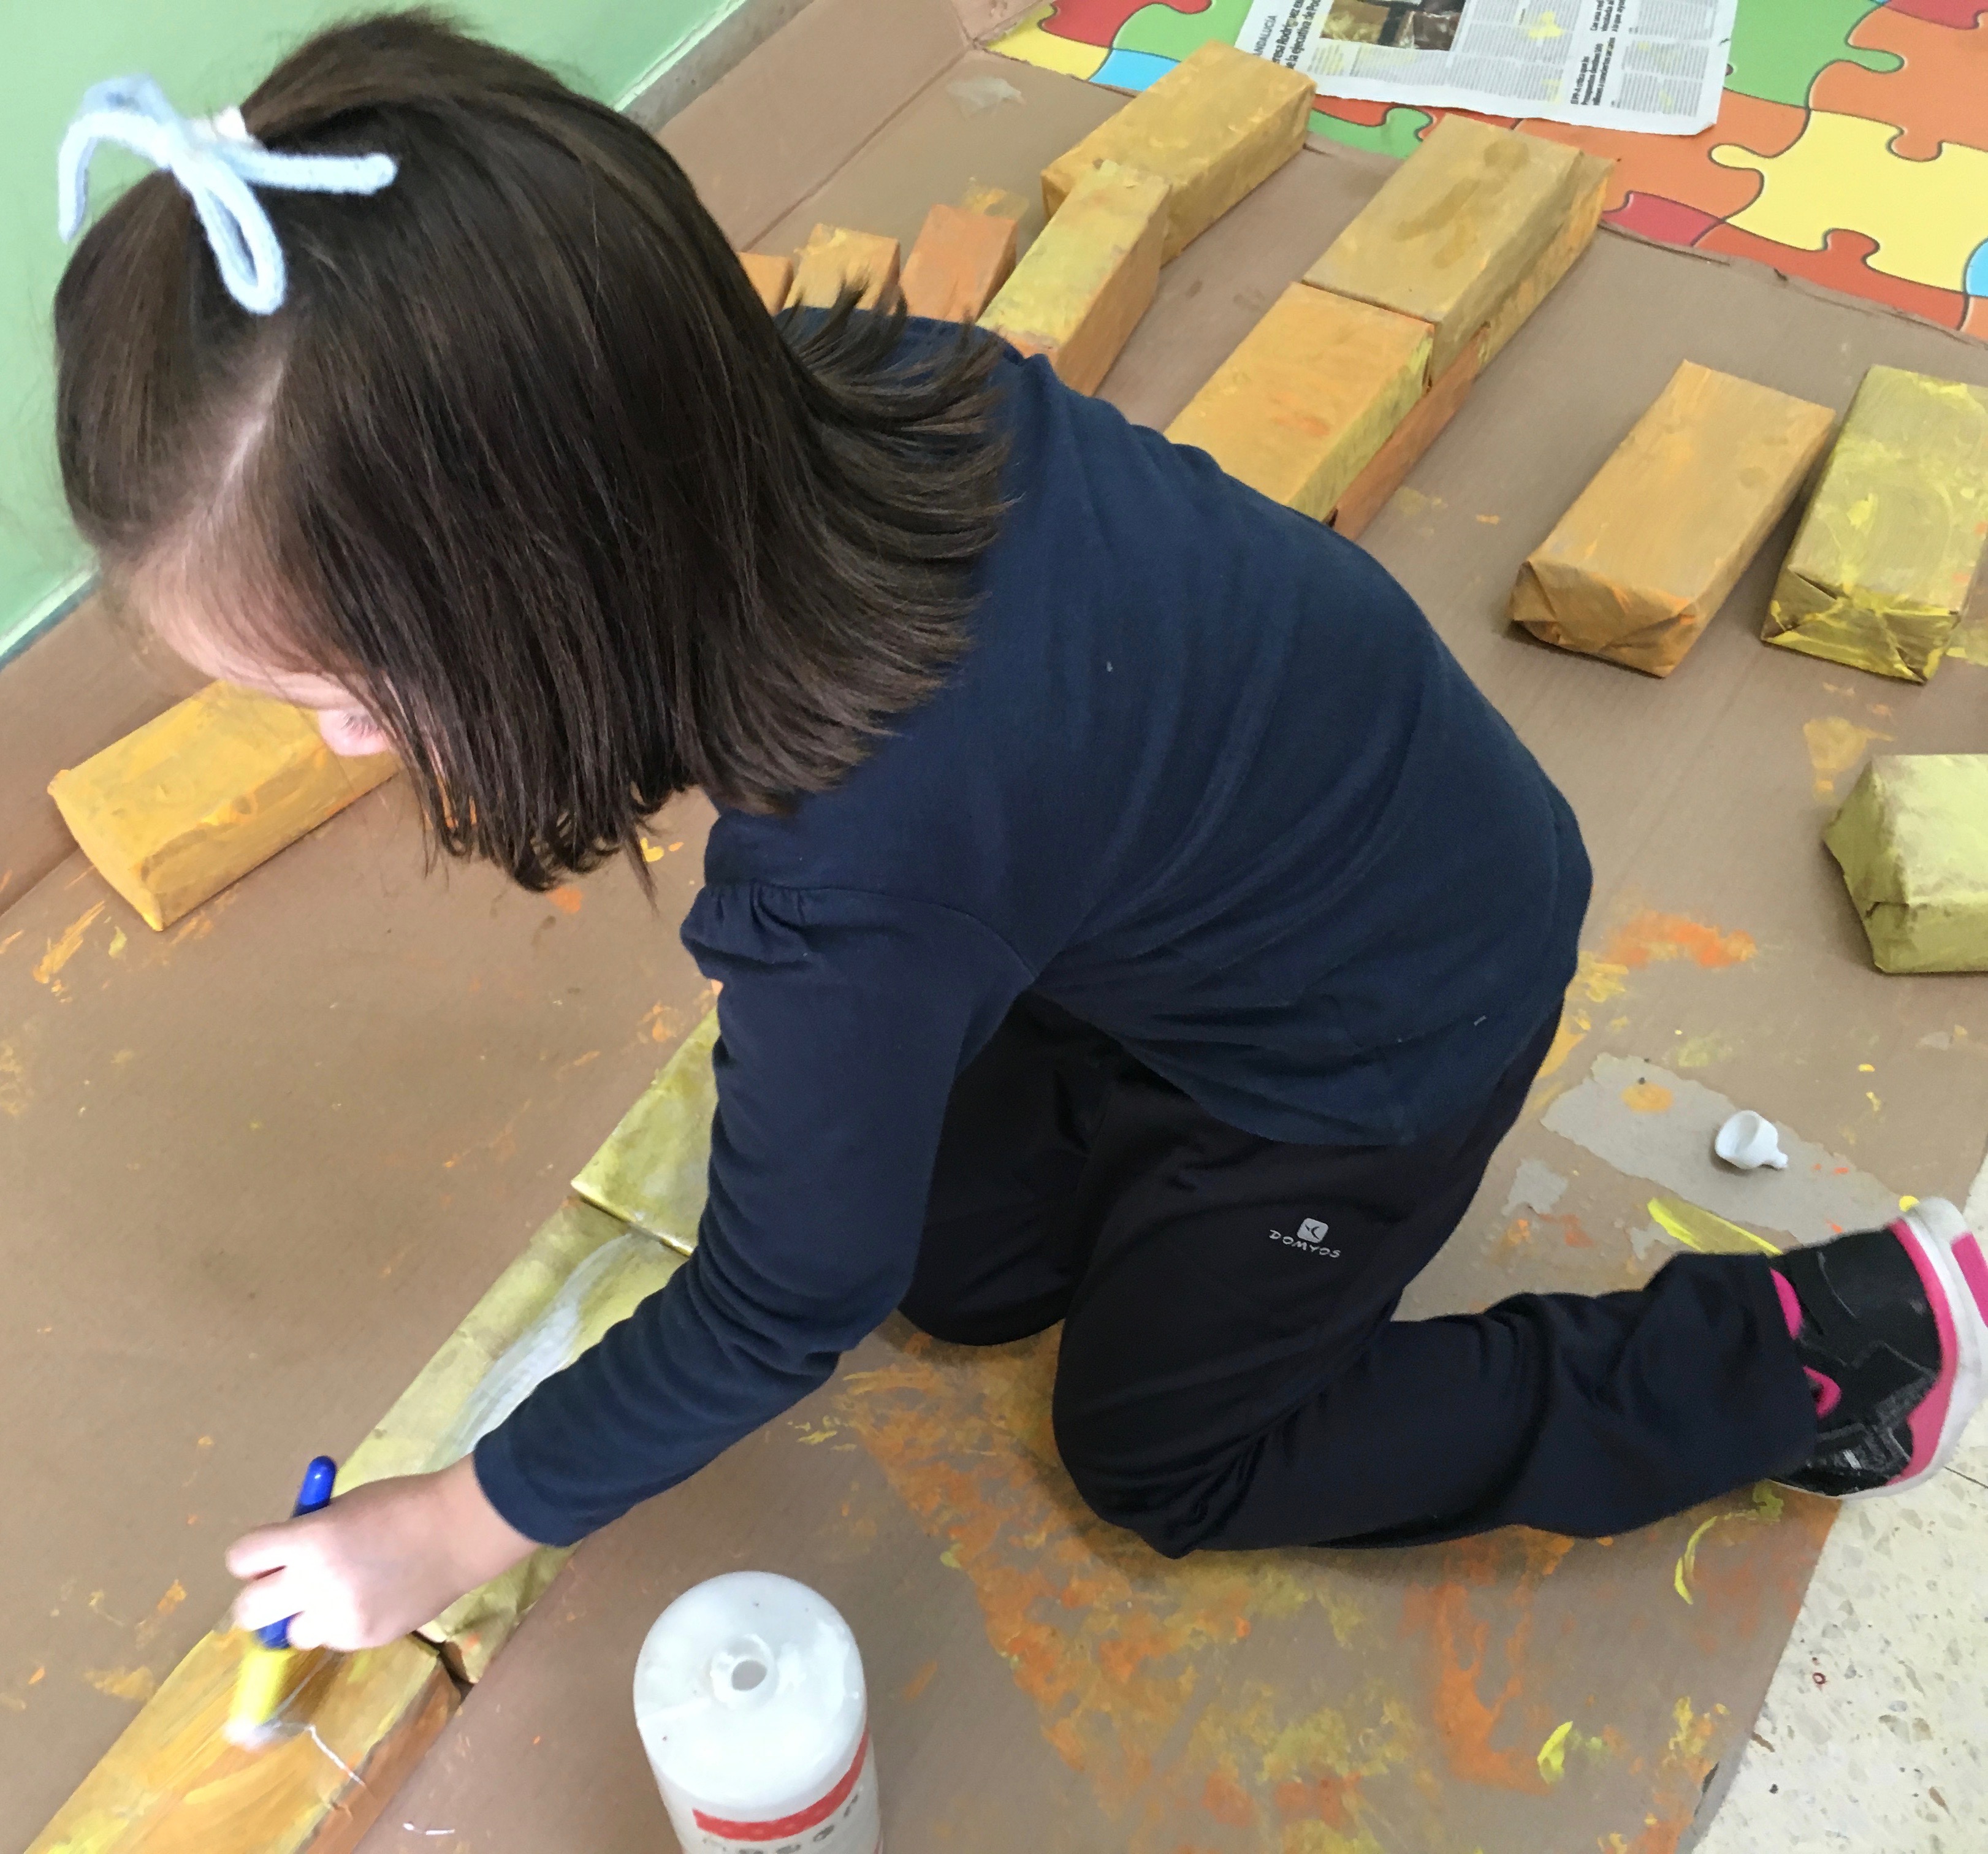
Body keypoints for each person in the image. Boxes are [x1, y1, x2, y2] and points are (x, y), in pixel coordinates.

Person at [50, 13, 1988, 1655]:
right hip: (1256, 860)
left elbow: (776, 1304)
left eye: (343, 689)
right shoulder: (873, 386)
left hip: (1386, 1026)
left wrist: (459, 1521)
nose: (342, 740)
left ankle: (1825, 1346)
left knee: (1163, 1456)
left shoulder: (852, 875)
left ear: (554, 588)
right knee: (953, 1267)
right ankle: (1153, 1143)